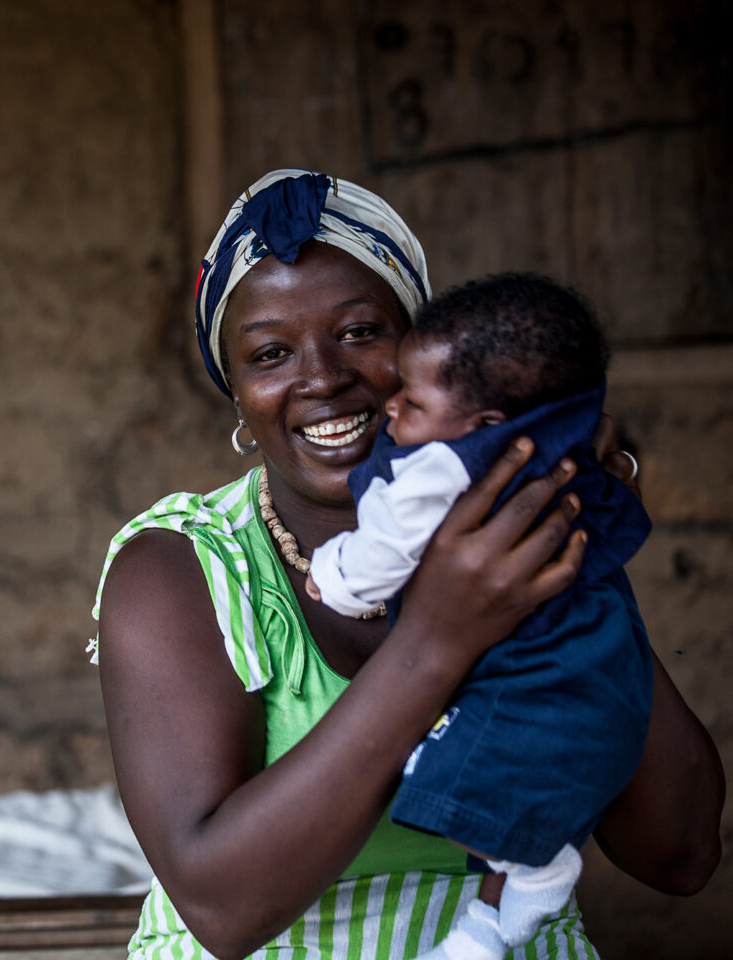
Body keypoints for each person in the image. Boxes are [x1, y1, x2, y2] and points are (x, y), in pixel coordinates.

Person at [90, 169, 724, 960]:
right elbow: (221, 907)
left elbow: (681, 853)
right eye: (271, 353)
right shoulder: (181, 569)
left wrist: (575, 539)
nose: (322, 377)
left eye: (361, 332)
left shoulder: (521, 531)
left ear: (430, 352)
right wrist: (438, 641)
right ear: (237, 393)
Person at [305, 273, 653, 960]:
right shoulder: (558, 447)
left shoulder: (435, 471)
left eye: (360, 334)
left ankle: (522, 886)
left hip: (528, 668)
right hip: (597, 661)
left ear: (486, 423)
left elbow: (378, 557)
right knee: (513, 794)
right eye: (269, 353)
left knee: (461, 799)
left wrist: (328, 578)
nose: (393, 406)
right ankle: (493, 923)